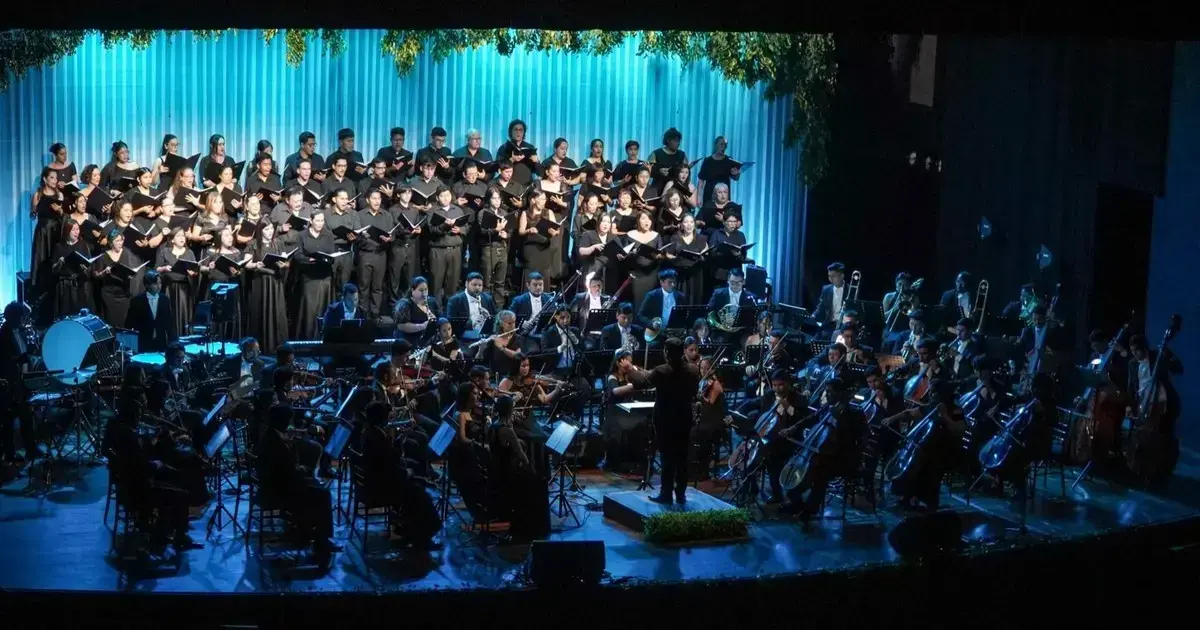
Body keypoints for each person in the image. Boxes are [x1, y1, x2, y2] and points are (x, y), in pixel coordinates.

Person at [254, 404, 341, 557]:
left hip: (277, 484)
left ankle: (305, 529)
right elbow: (289, 471)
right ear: (281, 421)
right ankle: (321, 540)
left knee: (314, 486)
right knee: (323, 494)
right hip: (279, 491)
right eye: (288, 420)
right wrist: (305, 470)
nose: (289, 424)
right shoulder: (275, 443)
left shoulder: (271, 435)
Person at [627, 337, 701, 504]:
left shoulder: (662, 371)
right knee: (682, 457)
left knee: (667, 457)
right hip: (684, 417)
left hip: (666, 419)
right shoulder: (693, 370)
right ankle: (680, 494)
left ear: (666, 353)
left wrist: (629, 370)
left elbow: (643, 382)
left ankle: (666, 494)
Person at [359, 402, 442, 550]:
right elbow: (390, 464)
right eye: (388, 415)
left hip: (376, 480)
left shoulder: (370, 432)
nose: (391, 418)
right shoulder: (378, 437)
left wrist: (401, 438)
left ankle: (407, 528)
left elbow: (389, 458)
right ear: (382, 417)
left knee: (415, 482)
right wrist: (407, 473)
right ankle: (422, 538)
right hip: (380, 487)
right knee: (422, 496)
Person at [0, 302, 40, 464]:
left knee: (26, 417)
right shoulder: (3, 335)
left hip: (22, 380)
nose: (23, 320)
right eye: (21, 316)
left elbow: (22, 353)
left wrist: (29, 353)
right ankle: (10, 454)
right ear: (13, 317)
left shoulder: (20, 332)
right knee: (8, 420)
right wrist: (20, 358)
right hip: (9, 383)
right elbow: (3, 361)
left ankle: (30, 449)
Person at [126, 270, 176, 353]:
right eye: (155, 284)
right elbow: (129, 324)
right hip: (143, 343)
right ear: (147, 285)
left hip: (160, 343)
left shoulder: (164, 299)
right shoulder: (137, 301)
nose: (159, 286)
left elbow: (169, 322)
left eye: (160, 283)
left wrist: (173, 341)